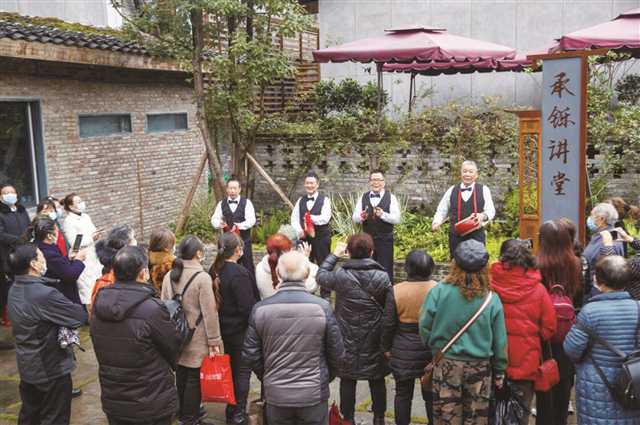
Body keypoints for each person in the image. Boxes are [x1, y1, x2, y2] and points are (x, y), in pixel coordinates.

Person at [243, 251, 345, 425]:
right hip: (313, 393)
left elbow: (250, 354)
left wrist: (268, 375)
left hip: (277, 394)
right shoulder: (322, 308)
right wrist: (324, 378)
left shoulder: (260, 309)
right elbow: (337, 353)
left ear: (278, 273)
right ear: (307, 274)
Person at [91, 246, 183, 425]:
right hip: (151, 399)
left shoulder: (100, 304)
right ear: (143, 273)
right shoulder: (152, 309)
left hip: (114, 398)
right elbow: (173, 346)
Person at [419, 239, 507, 425]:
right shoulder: (491, 299)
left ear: (455, 264)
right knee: (476, 417)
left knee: (447, 416)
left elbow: (424, 326)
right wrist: (499, 371)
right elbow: (500, 342)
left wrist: (435, 348)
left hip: (447, 363)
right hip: (479, 368)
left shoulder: (438, 292)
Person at [7, 243, 87, 425]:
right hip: (50, 369)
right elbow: (78, 316)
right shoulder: (43, 294)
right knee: (54, 417)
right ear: (34, 264)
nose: (44, 259)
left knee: (30, 415)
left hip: (28, 365)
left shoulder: (14, 288)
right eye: (41, 255)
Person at [317, 233, 391, 425]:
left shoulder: (341, 275)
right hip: (374, 337)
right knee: (377, 379)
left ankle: (348, 419)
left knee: (348, 379)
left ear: (348, 252)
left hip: (346, 336)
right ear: (372, 251)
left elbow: (321, 276)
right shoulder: (383, 276)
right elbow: (389, 310)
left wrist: (334, 255)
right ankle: (379, 419)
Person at [564, 255, 640, 424]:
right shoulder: (638, 307)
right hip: (634, 382)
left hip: (596, 384)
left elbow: (571, 349)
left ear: (598, 280)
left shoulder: (590, 311)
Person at [490, 239, 557, 425]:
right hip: (527, 361)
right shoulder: (539, 289)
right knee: (520, 413)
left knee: (493, 413)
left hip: (493, 358)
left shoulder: (490, 286)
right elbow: (549, 327)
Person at [161, 236, 222, 425]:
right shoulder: (202, 278)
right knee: (194, 379)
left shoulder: (169, 276)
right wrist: (214, 341)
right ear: (198, 253)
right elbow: (210, 313)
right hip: (197, 337)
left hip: (176, 336)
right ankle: (190, 418)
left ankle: (182, 414)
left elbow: (163, 307)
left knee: (181, 375)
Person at [381, 250, 437, 425]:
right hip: (430, 348)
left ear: (407, 268)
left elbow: (388, 324)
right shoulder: (438, 289)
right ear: (431, 268)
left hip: (403, 348)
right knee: (431, 395)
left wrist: (386, 347)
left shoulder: (396, 290)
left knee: (403, 394)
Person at [535, 219, 582, 425]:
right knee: (564, 383)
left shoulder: (536, 265)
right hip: (568, 331)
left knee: (544, 382)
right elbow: (580, 299)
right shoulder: (576, 264)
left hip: (542, 333)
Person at [209, 232, 259, 425]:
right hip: (239, 331)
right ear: (238, 250)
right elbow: (247, 307)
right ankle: (238, 413)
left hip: (222, 329)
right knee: (241, 373)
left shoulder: (214, 269)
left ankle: (231, 409)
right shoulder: (239, 273)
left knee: (231, 371)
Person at [432, 160, 496, 258]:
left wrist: (483, 216)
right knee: (456, 263)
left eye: (471, 172)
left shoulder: (484, 189)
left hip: (476, 236)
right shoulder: (452, 190)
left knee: (477, 262)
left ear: (476, 175)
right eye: (465, 171)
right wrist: (436, 222)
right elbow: (442, 209)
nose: (467, 174)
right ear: (461, 173)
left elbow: (491, 210)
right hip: (455, 236)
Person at [352, 170, 401, 281]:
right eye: (373, 180)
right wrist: (361, 217)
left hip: (385, 241)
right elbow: (354, 218)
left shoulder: (391, 197)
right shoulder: (363, 197)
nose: (376, 183)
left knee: (385, 270)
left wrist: (383, 215)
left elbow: (397, 219)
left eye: (379, 180)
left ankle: (386, 291)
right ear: (369, 182)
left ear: (384, 182)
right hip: (367, 242)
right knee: (367, 270)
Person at [291, 172, 332, 298]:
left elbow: (325, 218)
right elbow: (294, 219)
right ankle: (307, 292)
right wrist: (299, 230)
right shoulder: (300, 201)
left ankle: (325, 294)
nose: (309, 185)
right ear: (305, 184)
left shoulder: (325, 200)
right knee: (304, 265)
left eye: (312, 183)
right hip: (305, 239)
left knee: (324, 265)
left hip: (321, 238)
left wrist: (310, 218)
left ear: (317, 184)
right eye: (307, 183)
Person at [61, 193, 103, 307]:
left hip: (93, 254)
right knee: (87, 289)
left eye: (81, 201)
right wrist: (91, 238)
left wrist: (97, 234)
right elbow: (74, 243)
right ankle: (89, 312)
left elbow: (92, 231)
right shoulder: (69, 221)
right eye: (78, 202)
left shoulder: (86, 216)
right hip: (82, 257)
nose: (81, 203)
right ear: (71, 206)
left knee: (98, 283)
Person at [32, 217, 86, 305]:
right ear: (49, 236)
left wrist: (68, 258)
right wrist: (79, 260)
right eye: (57, 231)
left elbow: (58, 266)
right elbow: (69, 275)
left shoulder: (41, 247)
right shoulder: (48, 253)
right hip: (63, 294)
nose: (58, 234)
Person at [211, 178, 257, 276]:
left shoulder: (247, 203)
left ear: (239, 189)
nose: (232, 191)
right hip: (227, 243)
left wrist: (239, 226)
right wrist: (219, 223)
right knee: (225, 266)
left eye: (235, 188)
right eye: (230, 188)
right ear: (227, 189)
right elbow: (214, 219)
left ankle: (251, 284)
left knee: (248, 266)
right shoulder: (221, 204)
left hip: (244, 242)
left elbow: (251, 220)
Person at [0, 184, 30, 327]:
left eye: (12, 192)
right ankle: (10, 315)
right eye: (6, 193)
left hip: (24, 252)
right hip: (8, 254)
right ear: (1, 196)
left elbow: (29, 227)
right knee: (11, 286)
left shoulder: (22, 210)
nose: (10, 195)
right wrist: (17, 240)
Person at [255, 232, 318, 299]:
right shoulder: (287, 268)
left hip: (267, 304)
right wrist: (304, 260)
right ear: (287, 252)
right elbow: (311, 286)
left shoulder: (259, 267)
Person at [583, 202, 624, 297]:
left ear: (601, 219)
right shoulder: (606, 235)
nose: (589, 219)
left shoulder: (607, 239)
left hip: (599, 292)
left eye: (592, 215)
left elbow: (608, 271)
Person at [91, 225, 137, 307]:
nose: (136, 241)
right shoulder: (107, 282)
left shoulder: (131, 268)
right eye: (133, 238)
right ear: (125, 246)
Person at [148, 227, 176, 293]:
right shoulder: (171, 264)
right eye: (173, 244)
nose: (175, 246)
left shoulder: (144, 259)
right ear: (166, 249)